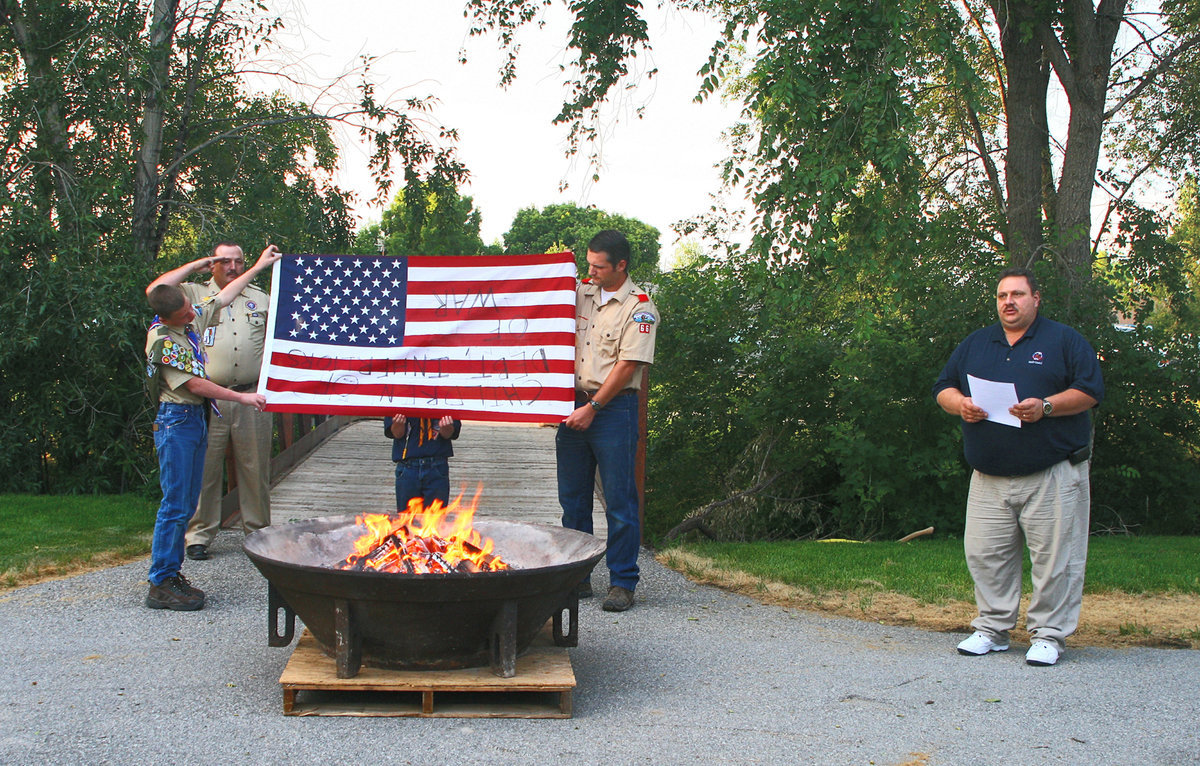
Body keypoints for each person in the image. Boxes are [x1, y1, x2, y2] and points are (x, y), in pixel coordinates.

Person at [933, 267, 1104, 666]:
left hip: (1052, 472)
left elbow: (1090, 392)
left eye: (1017, 294)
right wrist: (961, 405)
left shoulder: (1063, 340)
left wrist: (1045, 407)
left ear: (1036, 298)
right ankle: (992, 629)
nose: (1008, 302)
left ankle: (1048, 635)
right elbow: (943, 387)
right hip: (989, 476)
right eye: (1001, 296)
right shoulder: (978, 343)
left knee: (1056, 560)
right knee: (985, 555)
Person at [143, 246, 281, 611]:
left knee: (185, 499)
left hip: (195, 419)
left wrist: (258, 267)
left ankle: (171, 574)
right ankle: (162, 579)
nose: (195, 310)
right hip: (177, 423)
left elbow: (225, 295)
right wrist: (243, 400)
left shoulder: (187, 321)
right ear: (167, 318)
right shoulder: (163, 341)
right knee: (175, 504)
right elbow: (195, 385)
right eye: (186, 310)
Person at [557, 230, 659, 612]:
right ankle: (576, 577)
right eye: (588, 263)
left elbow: (628, 365)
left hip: (613, 411)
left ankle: (622, 582)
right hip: (571, 408)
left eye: (599, 266)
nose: (591, 271)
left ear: (621, 265)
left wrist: (593, 408)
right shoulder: (580, 293)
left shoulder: (640, 308)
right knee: (573, 500)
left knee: (619, 500)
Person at [166, 242, 274, 562]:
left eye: (238, 262)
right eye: (224, 262)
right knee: (206, 469)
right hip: (207, 398)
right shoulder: (194, 296)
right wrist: (191, 267)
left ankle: (258, 532)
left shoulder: (260, 299)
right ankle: (199, 534)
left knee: (255, 468)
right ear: (212, 264)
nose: (232, 267)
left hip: (250, 395)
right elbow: (159, 289)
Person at [385, 414, 462, 510]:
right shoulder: (399, 400)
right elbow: (397, 434)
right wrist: (398, 424)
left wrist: (445, 426)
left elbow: (448, 434)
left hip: (437, 466)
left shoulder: (447, 401)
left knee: (436, 518)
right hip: (407, 466)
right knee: (406, 518)